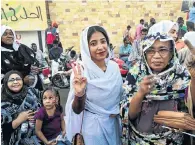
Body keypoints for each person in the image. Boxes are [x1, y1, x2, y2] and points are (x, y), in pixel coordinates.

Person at [120, 31, 195, 144]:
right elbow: (129, 115)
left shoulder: (181, 74)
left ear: (172, 52)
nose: (156, 56)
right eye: (150, 50)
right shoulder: (135, 74)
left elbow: (191, 105)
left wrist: (194, 79)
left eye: (163, 50)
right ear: (144, 53)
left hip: (173, 140)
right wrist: (140, 93)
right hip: (140, 141)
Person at [65, 25, 123, 145]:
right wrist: (80, 93)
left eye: (103, 41)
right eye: (93, 43)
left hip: (113, 125)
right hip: (93, 129)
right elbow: (76, 110)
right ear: (86, 47)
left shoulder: (114, 68)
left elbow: (120, 98)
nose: (100, 47)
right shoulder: (81, 71)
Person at [1, 70, 41, 145]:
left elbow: (48, 102)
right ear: (6, 83)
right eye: (11, 80)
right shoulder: (2, 103)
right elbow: (3, 131)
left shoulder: (32, 92)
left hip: (37, 138)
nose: (15, 82)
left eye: (18, 79)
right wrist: (19, 119)